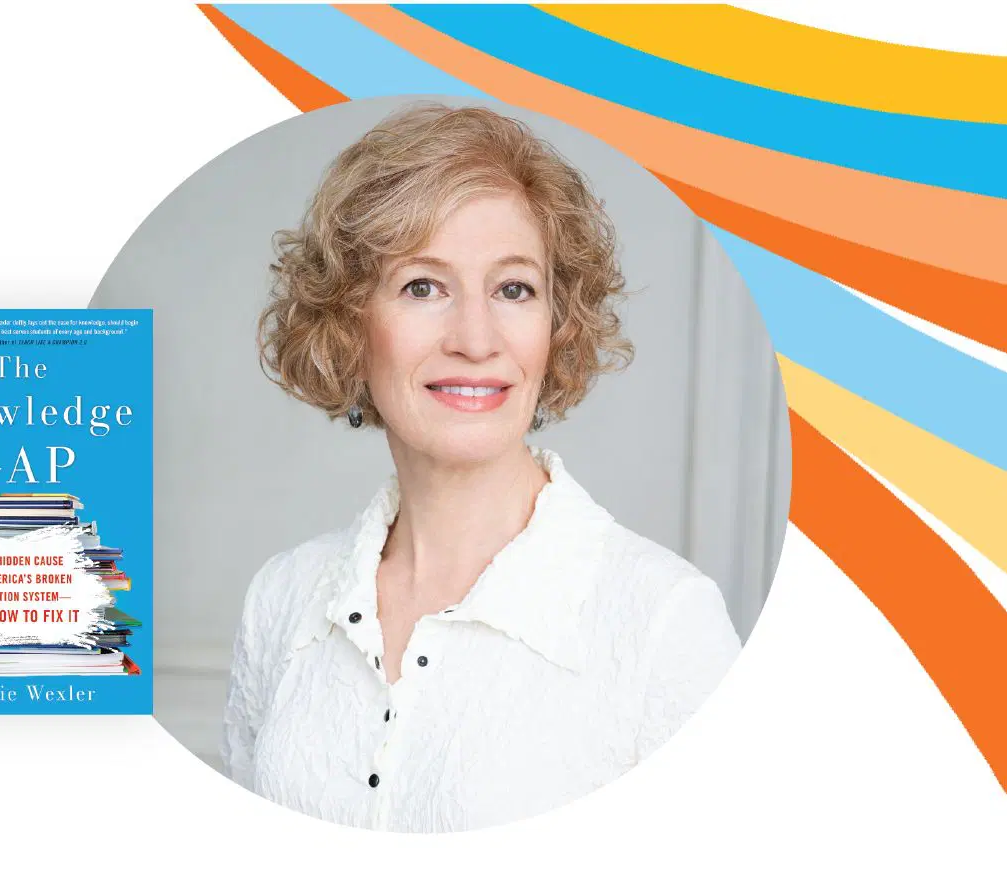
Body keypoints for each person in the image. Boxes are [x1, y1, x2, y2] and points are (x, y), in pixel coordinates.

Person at [222, 103, 741, 833]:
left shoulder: (663, 622)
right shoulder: (280, 598)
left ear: (556, 326)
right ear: (347, 320)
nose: (474, 338)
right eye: (423, 287)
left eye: (513, 289)